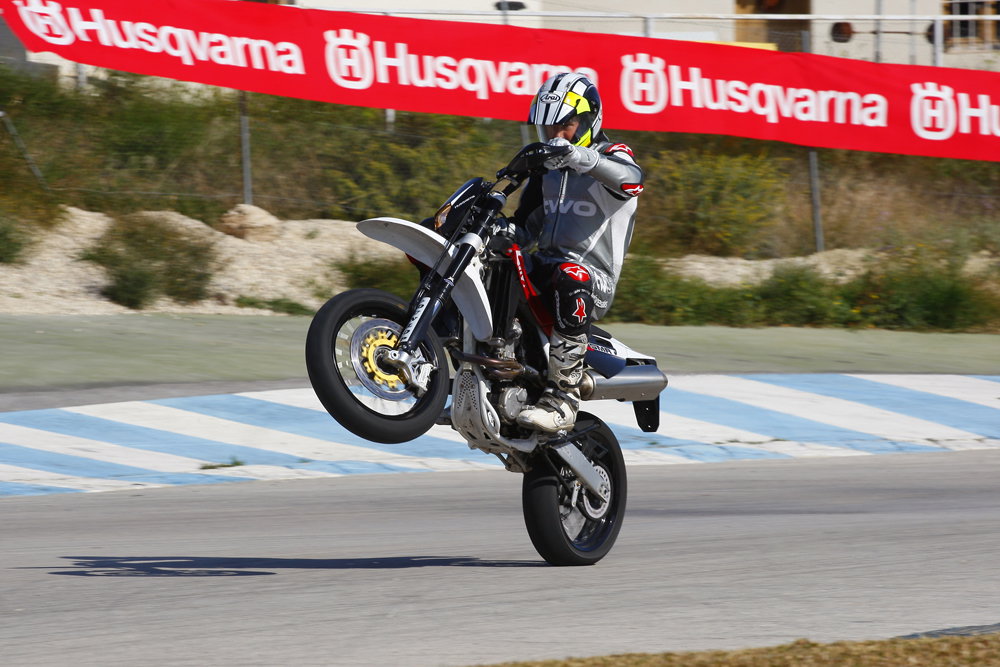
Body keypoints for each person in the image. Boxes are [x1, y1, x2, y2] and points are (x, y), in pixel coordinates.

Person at [512, 72, 645, 433]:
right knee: (501, 262)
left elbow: (632, 180)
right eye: (549, 129)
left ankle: (563, 399)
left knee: (572, 276)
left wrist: (575, 155)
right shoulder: (547, 174)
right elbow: (524, 230)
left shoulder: (613, 155)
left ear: (588, 121)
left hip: (591, 279)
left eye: (565, 126)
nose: (556, 136)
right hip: (546, 265)